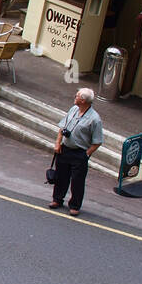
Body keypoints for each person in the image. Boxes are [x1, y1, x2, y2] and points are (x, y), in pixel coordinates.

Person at [49, 86, 105, 216]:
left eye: (77, 96)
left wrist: (86, 154)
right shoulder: (73, 109)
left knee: (77, 181)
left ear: (83, 100)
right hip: (65, 149)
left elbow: (97, 141)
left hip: (79, 153)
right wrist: (58, 143)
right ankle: (57, 199)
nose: (75, 97)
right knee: (61, 176)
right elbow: (62, 127)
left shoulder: (95, 119)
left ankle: (74, 205)